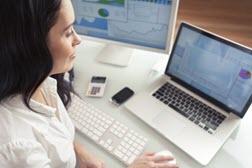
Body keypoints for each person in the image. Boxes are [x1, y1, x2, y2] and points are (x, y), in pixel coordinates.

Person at [0, 0, 178, 168]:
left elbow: (51, 132)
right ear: (30, 45)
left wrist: (77, 150)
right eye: (68, 32)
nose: (78, 39)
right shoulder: (18, 149)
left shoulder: (40, 81)